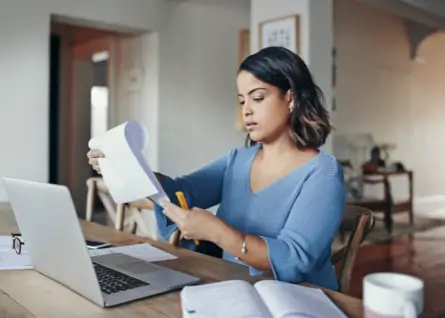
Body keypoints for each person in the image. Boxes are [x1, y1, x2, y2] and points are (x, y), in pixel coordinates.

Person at [87, 46, 346, 291]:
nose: (247, 110)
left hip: (297, 302)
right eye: (242, 101)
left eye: (258, 97)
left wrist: (216, 231)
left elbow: (294, 259)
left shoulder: (323, 172)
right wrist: (125, 165)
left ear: (290, 98)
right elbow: (181, 192)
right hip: (232, 290)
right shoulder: (237, 160)